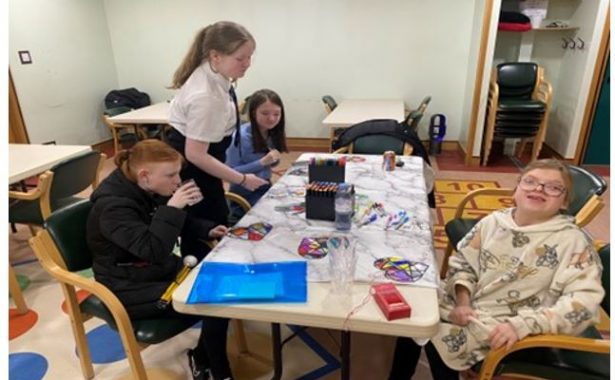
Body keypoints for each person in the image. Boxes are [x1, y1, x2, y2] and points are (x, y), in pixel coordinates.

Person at [389, 159, 604, 380]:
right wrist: (463, 302)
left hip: (518, 327)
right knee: (416, 315)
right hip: (471, 306)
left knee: (437, 340)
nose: (539, 189)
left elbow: (583, 304)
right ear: (516, 189)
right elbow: (464, 264)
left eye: (553, 187)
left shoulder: (572, 242)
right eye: (530, 182)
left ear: (564, 202)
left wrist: (521, 325)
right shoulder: (494, 222)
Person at [86, 140, 233, 380]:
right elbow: (153, 250)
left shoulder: (144, 186)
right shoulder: (113, 207)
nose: (178, 180)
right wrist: (174, 207)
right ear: (145, 175)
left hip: (152, 271)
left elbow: (167, 222)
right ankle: (218, 371)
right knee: (215, 300)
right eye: (171, 175)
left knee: (221, 282)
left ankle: (203, 357)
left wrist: (206, 229)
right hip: (125, 284)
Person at [166, 21, 268, 255]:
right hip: (194, 169)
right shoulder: (206, 96)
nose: (247, 64)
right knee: (207, 227)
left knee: (210, 222)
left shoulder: (213, 72)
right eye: (240, 58)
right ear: (215, 56)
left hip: (201, 164)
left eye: (250, 57)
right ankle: (198, 281)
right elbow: (195, 154)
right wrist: (242, 178)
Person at [225, 89, 288, 211]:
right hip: (244, 193)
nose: (271, 119)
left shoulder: (271, 132)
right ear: (254, 113)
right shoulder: (241, 137)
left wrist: (273, 160)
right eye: (265, 113)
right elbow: (229, 173)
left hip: (265, 185)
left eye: (276, 114)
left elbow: (269, 163)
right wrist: (262, 162)